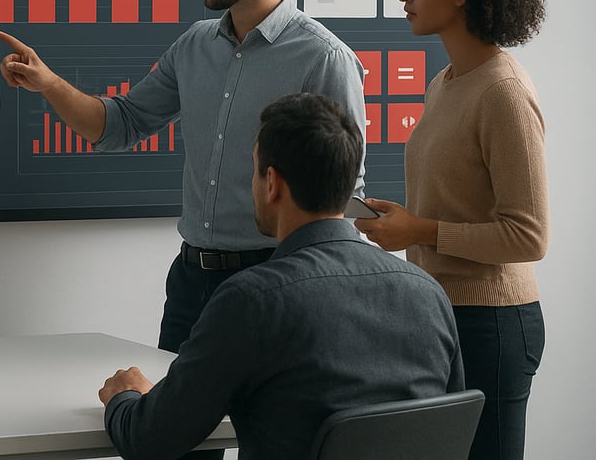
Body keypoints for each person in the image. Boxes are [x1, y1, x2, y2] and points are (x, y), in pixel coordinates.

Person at [0, 0, 365, 380]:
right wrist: (49, 83)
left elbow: (343, 197)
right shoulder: (194, 45)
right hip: (192, 283)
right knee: (175, 439)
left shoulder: (323, 58)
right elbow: (118, 124)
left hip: (276, 280)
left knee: (271, 436)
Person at [98, 93, 463, 460]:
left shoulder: (252, 301)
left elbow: (150, 438)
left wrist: (126, 396)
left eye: (255, 170)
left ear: (272, 183)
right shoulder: (429, 294)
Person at [355, 0, 548, 460]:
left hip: (493, 325)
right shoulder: (445, 83)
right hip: (440, 314)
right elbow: (458, 203)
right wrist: (408, 221)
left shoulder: (504, 93)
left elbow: (528, 237)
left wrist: (420, 229)